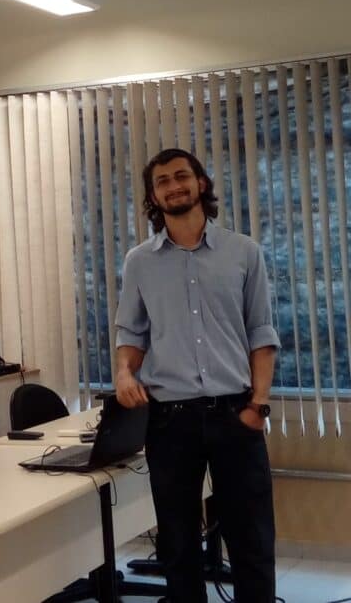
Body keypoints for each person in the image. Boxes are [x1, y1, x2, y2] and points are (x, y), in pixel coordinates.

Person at [114, 148, 280, 603]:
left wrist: (258, 405)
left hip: (236, 413)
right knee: (178, 542)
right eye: (162, 181)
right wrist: (124, 373)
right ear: (153, 196)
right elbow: (131, 332)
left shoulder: (244, 252)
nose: (173, 186)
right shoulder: (139, 262)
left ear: (200, 183)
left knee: (252, 540)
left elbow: (261, 332)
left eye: (181, 176)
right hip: (170, 421)